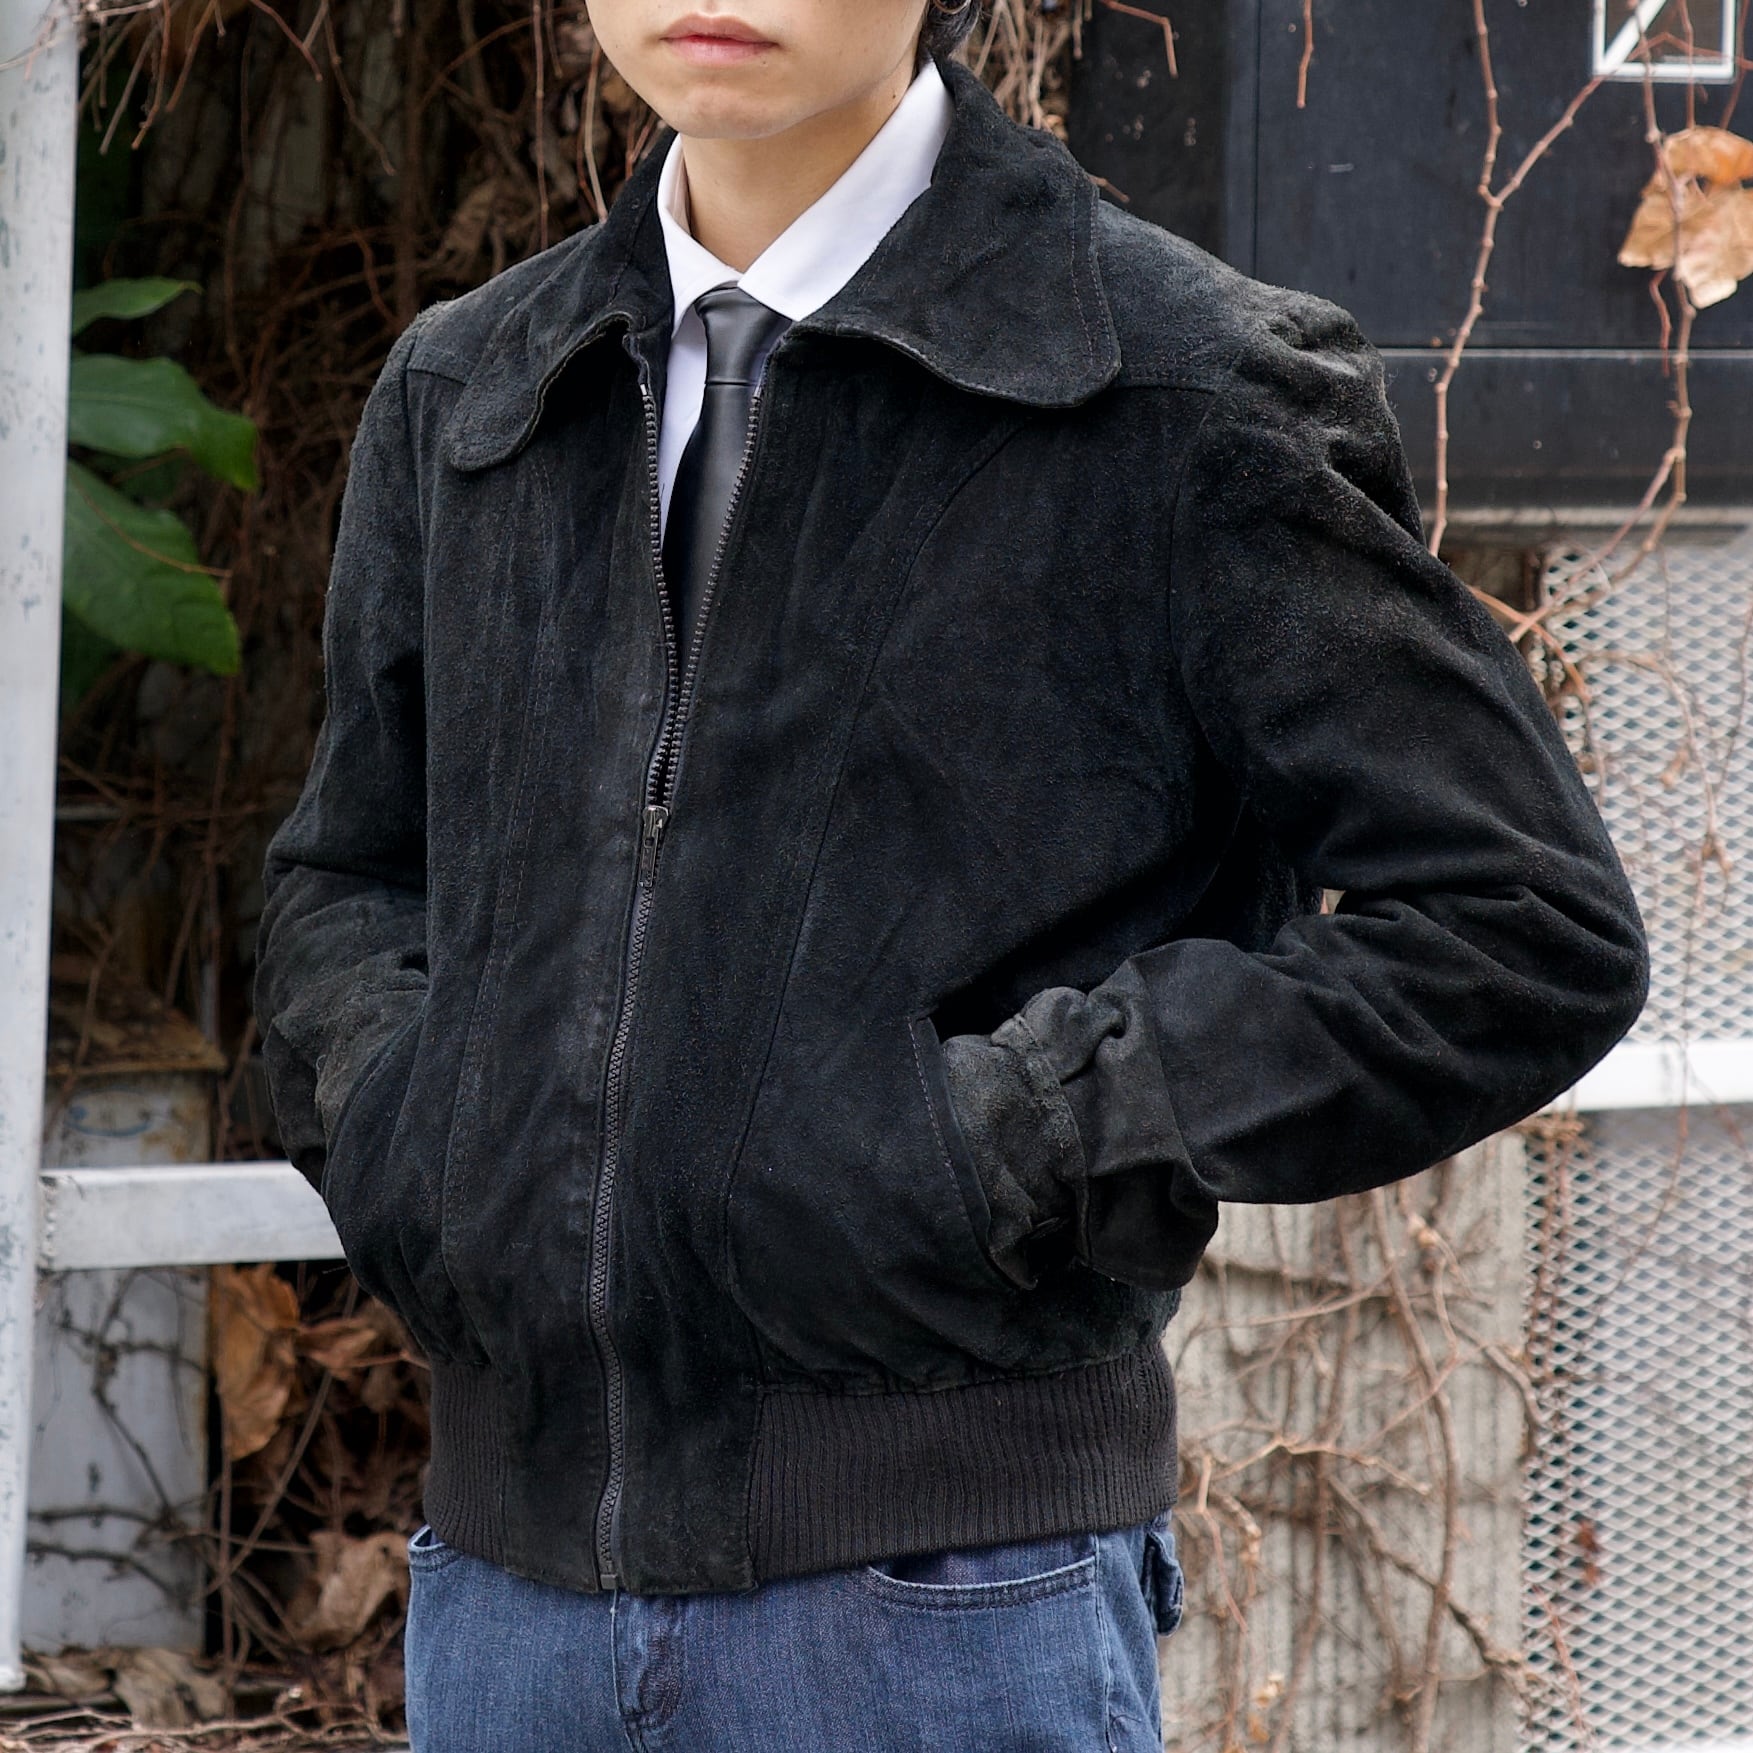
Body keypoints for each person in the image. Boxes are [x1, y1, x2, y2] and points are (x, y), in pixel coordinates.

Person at [251, 1, 1650, 1746]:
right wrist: (416, 1124)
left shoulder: (1174, 383)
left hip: (937, 1604)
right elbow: (347, 879)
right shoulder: (472, 385)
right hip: (504, 1600)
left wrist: (1015, 1137)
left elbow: (1520, 924)